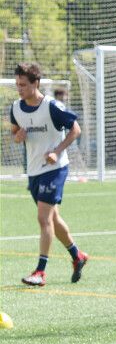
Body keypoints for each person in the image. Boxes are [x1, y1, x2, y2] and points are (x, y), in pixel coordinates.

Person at [9, 63, 88, 286]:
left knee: (43, 218)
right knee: (53, 218)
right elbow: (14, 134)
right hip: (34, 171)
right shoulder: (15, 107)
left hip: (55, 169)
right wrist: (18, 137)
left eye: (23, 85)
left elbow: (75, 130)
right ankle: (77, 256)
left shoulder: (52, 106)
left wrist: (56, 151)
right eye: (17, 84)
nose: (19, 89)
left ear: (36, 83)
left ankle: (40, 272)